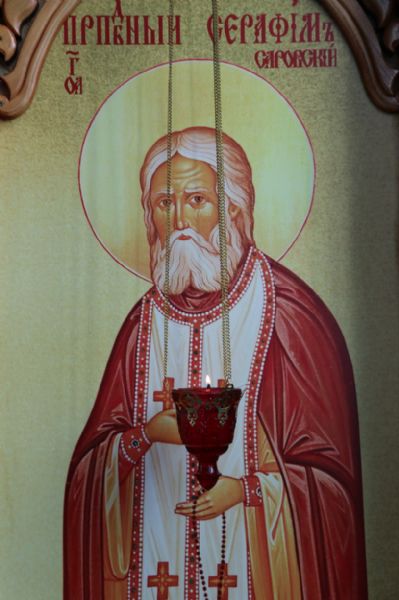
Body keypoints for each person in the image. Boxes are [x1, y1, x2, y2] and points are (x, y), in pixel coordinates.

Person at [64, 126, 368, 599]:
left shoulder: (290, 316)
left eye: (197, 200)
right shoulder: (141, 326)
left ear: (234, 210)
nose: (180, 219)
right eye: (165, 203)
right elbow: (87, 476)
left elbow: (334, 490)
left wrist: (246, 491)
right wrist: (145, 436)